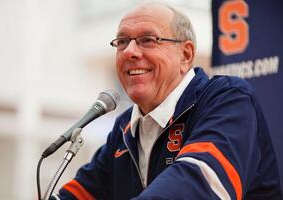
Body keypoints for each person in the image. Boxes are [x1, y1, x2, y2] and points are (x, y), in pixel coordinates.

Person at [51, 2, 282, 200]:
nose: (130, 51)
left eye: (148, 40)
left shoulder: (227, 99)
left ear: (186, 55)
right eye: (122, 41)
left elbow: (201, 183)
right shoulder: (124, 128)